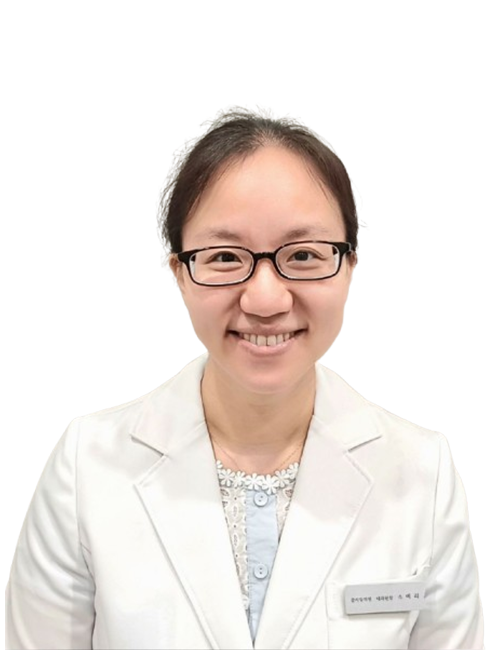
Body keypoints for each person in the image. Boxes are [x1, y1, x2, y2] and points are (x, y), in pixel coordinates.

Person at [5, 104, 483, 650]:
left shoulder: (422, 475)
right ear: (178, 270)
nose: (265, 299)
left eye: (303, 254)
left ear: (350, 263)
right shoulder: (87, 468)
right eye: (225, 257)